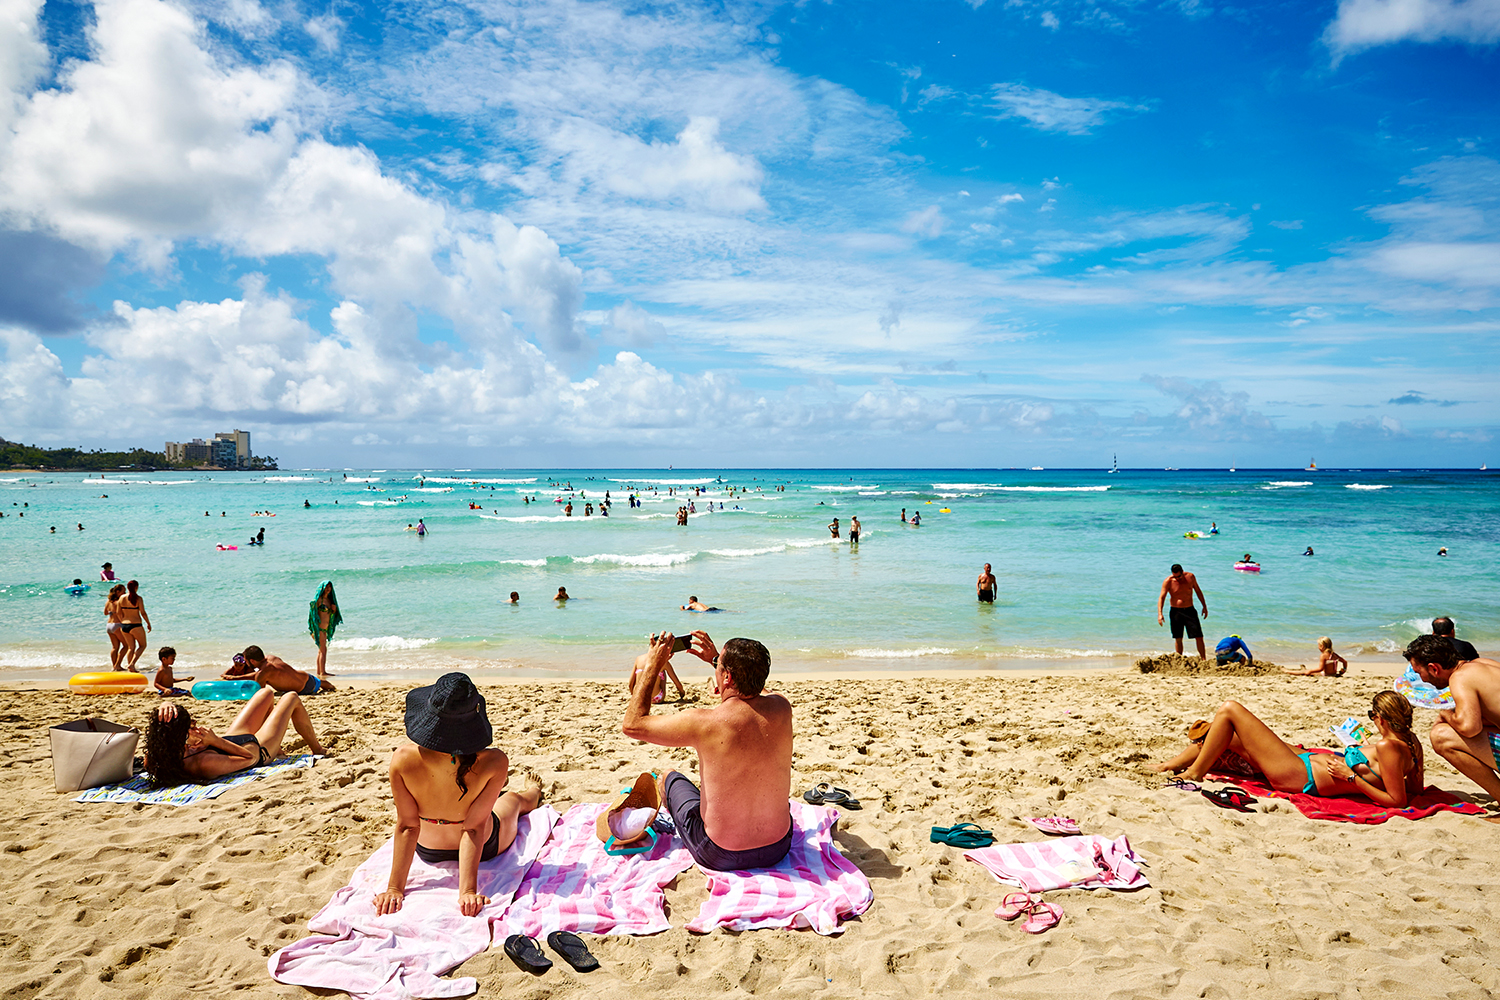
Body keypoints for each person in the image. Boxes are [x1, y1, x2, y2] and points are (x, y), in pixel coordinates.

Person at [373, 673, 543, 918]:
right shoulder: (495, 760)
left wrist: (394, 888)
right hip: (486, 847)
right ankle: (533, 792)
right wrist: (467, 892)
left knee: (495, 801)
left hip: (429, 848)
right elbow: (473, 829)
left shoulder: (402, 758)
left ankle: (516, 793)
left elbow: (408, 826)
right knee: (512, 801)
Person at [622, 631, 793, 870]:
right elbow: (758, 689)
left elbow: (632, 724)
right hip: (778, 847)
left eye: (719, 667)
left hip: (719, 853)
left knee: (667, 777)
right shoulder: (782, 708)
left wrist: (653, 664)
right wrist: (716, 660)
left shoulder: (706, 723)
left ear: (727, 678)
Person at [1155, 692, 1423, 807]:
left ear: (1383, 719)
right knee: (1224, 732)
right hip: (1305, 762)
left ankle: (1194, 773)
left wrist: (1349, 777)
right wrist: (1363, 770)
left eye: (1371, 715)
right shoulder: (1412, 742)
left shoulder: (1389, 746)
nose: (1371, 720)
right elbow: (1415, 790)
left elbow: (1398, 801)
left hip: (1300, 776)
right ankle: (1170, 765)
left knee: (1230, 710)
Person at [143, 687, 325, 786]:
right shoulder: (203, 762)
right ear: (179, 736)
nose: (196, 726)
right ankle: (317, 749)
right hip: (258, 750)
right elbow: (250, 759)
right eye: (191, 726)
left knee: (266, 693)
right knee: (291, 697)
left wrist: (165, 704)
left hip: (231, 740)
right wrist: (215, 741)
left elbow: (161, 730)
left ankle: (279, 748)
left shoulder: (160, 754)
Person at [1406, 634, 1500, 801]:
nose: (1422, 680)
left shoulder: (1460, 677)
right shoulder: (1482, 663)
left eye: (1419, 673)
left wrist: (1445, 713)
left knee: (1441, 736)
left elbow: (1469, 728)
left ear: (1434, 668)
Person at [225, 645, 337, 694]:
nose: (247, 664)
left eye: (247, 661)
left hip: (303, 691)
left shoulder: (262, 674)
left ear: (252, 661)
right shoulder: (271, 658)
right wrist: (236, 677)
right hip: (307, 678)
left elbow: (259, 692)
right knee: (320, 682)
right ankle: (331, 687)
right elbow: (264, 674)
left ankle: (328, 686)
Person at [1157, 564, 1208, 659]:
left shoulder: (1191, 577)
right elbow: (1162, 597)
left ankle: (1203, 659)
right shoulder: (1168, 581)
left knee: (1199, 636)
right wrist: (1160, 614)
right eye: (1175, 576)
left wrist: (1204, 606)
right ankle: (1179, 659)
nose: (1177, 579)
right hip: (1176, 612)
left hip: (1189, 610)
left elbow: (1198, 591)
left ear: (1182, 572)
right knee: (1178, 637)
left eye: (1179, 576)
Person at [309, 581, 342, 679]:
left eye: (329, 587)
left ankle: (320, 671)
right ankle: (323, 672)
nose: (328, 589)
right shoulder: (319, 600)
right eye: (326, 587)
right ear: (322, 588)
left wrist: (333, 610)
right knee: (323, 650)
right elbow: (313, 613)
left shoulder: (329, 600)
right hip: (318, 629)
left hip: (324, 629)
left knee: (321, 650)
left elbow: (330, 616)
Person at [118, 579, 152, 671]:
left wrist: (123, 622)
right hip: (136, 625)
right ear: (136, 587)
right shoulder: (138, 598)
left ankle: (130, 667)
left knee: (131, 647)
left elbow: (118, 612)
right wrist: (148, 623)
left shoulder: (121, 598)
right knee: (142, 645)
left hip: (124, 626)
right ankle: (132, 664)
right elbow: (143, 613)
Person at [104, 584, 127, 670]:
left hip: (109, 625)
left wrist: (112, 612)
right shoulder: (119, 602)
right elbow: (121, 614)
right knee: (126, 646)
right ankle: (118, 665)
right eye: (123, 592)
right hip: (117, 625)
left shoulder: (108, 601)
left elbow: (105, 613)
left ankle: (115, 666)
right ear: (118, 592)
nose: (125, 593)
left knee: (115, 647)